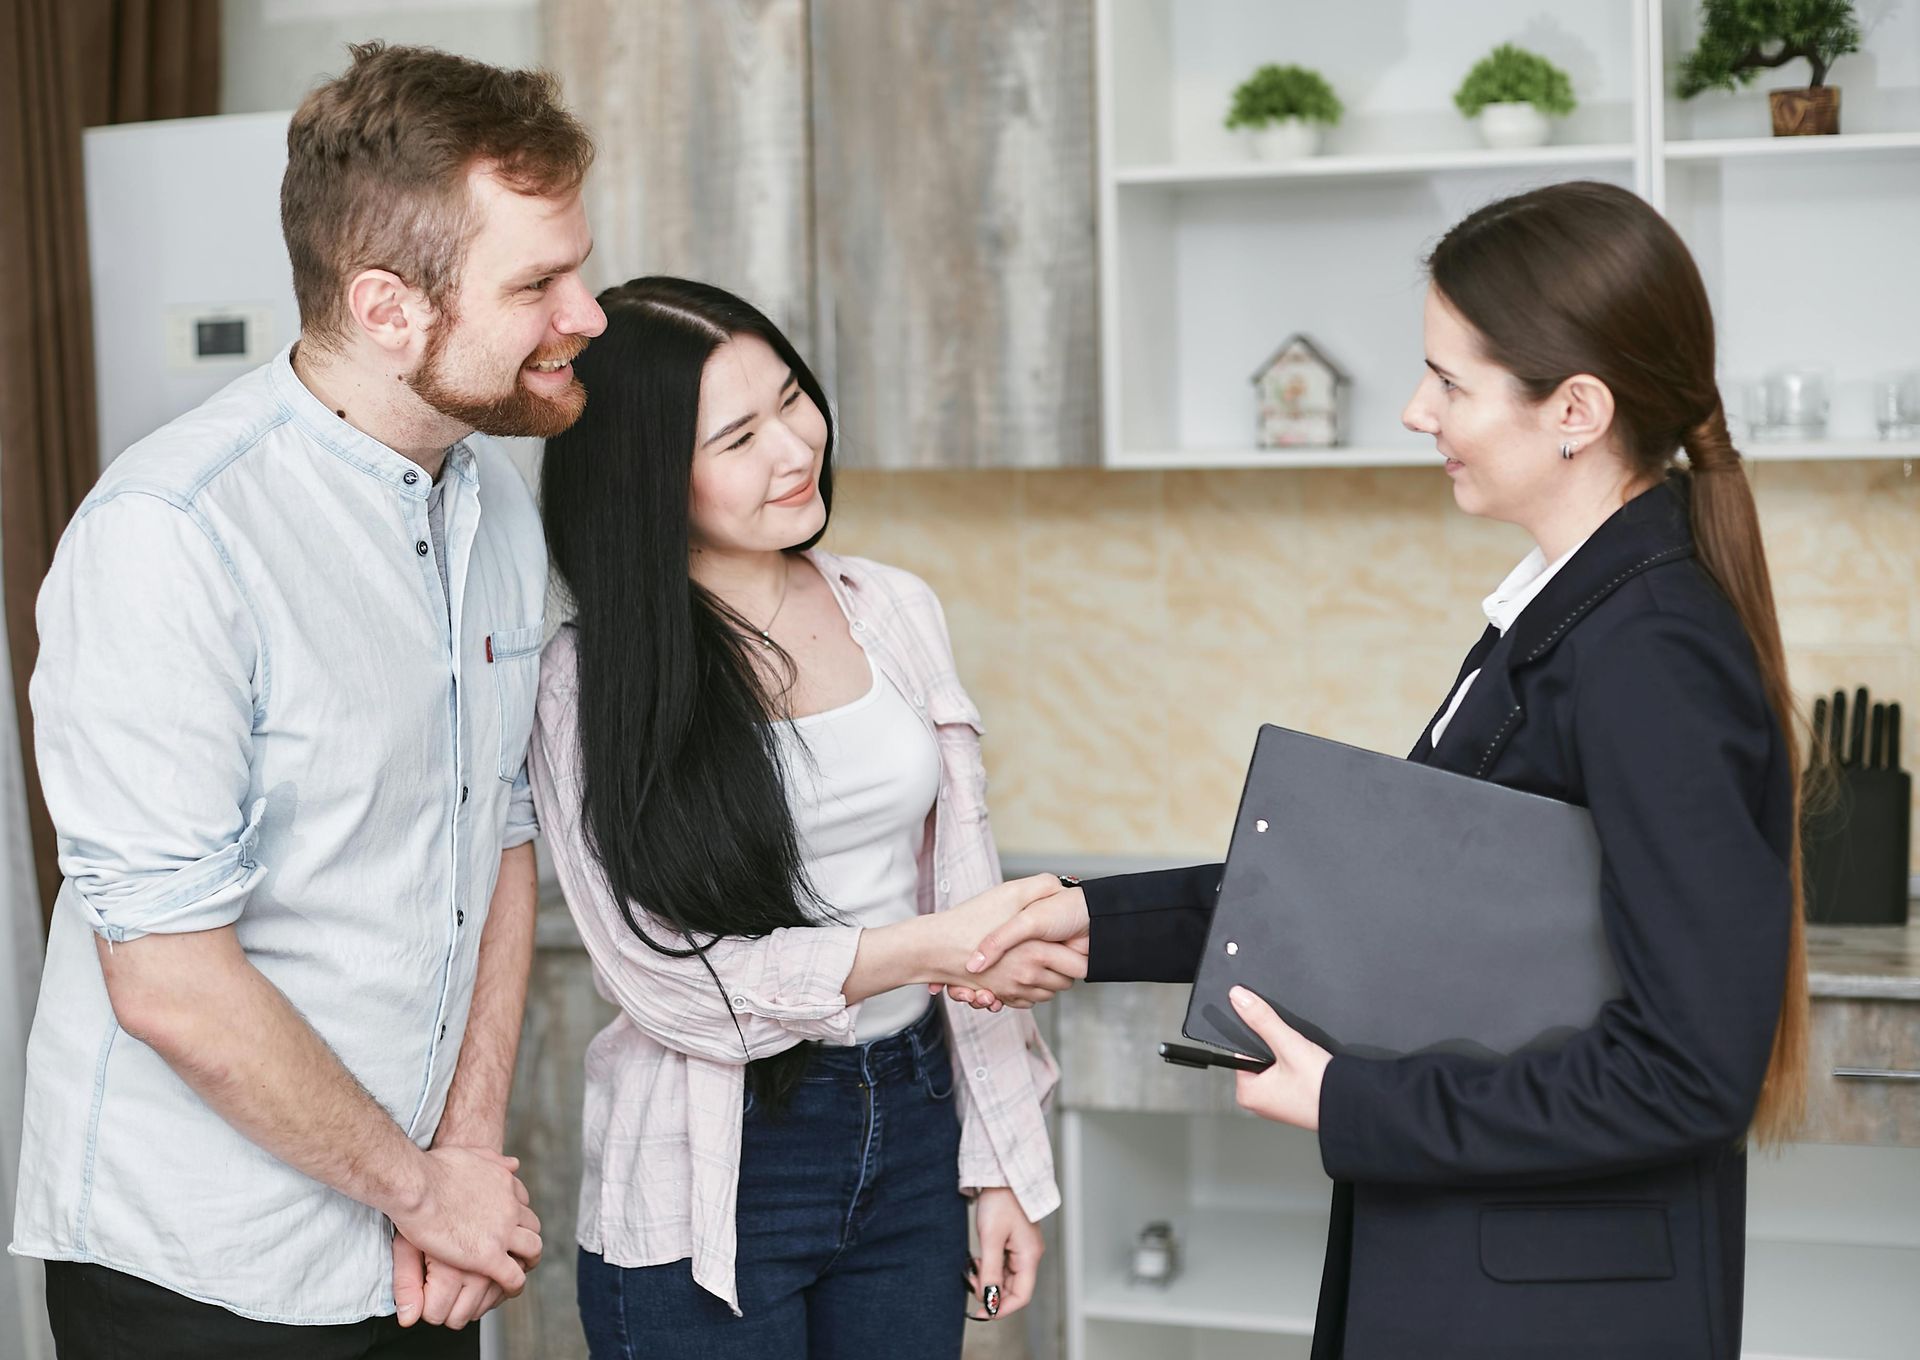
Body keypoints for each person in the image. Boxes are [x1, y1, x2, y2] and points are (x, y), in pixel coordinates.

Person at [954, 180, 1808, 1360]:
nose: (1417, 410)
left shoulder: (1649, 651)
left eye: (1451, 381)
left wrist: (1355, 1102)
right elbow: (1384, 901)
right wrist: (1090, 923)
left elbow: (1687, 1075)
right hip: (1496, 1271)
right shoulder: (1565, 618)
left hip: (1560, 1304)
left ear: (1575, 408)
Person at [12, 42, 606, 1356]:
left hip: (416, 1243)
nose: (589, 313)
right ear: (389, 308)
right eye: (541, 283)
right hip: (203, 1273)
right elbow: (167, 977)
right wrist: (424, 1189)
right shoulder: (173, 535)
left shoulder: (493, 503)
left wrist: (461, 1151)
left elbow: (494, 833)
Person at [532, 276, 1077, 1359]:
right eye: (737, 437)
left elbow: (960, 884)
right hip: (717, 1158)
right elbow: (668, 984)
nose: (794, 448)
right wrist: (925, 949)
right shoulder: (588, 683)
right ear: (648, 477)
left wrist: (1001, 1165)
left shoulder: (892, 608)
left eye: (791, 399)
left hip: (915, 1118)